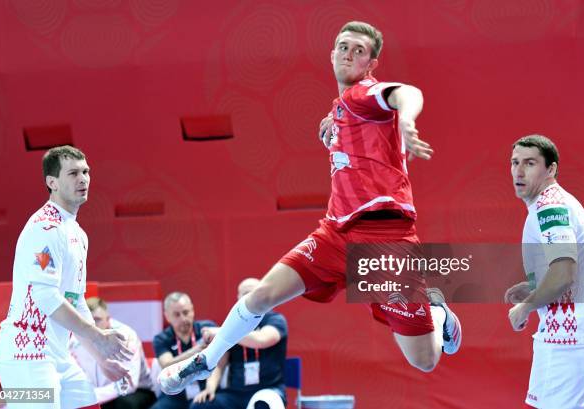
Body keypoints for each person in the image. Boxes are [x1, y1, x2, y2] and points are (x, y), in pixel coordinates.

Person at [159, 21, 462, 394]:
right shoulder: (339, 111)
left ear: (372, 64)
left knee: (424, 360)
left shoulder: (364, 95)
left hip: (386, 238)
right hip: (335, 233)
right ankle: (204, 361)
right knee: (261, 295)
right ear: (332, 54)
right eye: (343, 47)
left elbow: (407, 93)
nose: (349, 54)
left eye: (359, 50)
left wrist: (409, 121)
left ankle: (437, 312)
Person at [0, 145, 132, 409]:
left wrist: (101, 357)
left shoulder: (77, 234)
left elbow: (76, 300)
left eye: (86, 171)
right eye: (73, 173)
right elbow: (45, 296)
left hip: (58, 356)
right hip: (27, 357)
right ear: (52, 182)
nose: (83, 178)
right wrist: (98, 337)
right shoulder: (44, 228)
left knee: (87, 403)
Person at [505, 135, 584, 409]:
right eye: (514, 162)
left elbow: (563, 273)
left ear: (551, 169)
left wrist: (526, 306)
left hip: (567, 338)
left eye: (530, 163)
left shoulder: (549, 208)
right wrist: (535, 286)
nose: (519, 171)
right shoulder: (563, 202)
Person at [190, 278, 288, 409]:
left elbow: (263, 339)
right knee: (201, 405)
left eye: (254, 292)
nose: (250, 297)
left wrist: (222, 332)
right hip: (236, 393)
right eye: (245, 293)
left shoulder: (275, 319)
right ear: (238, 298)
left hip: (268, 389)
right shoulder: (231, 325)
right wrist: (210, 388)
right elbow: (219, 364)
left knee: (262, 404)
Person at [70, 297, 157, 409]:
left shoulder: (125, 337)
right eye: (88, 321)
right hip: (96, 393)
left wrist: (92, 397)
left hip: (137, 391)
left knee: (122, 405)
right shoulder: (75, 340)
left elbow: (129, 384)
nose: (92, 325)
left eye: (97, 319)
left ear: (108, 319)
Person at [152, 292, 217, 409]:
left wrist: (210, 387)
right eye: (177, 315)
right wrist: (195, 351)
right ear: (167, 316)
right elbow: (166, 364)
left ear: (193, 310)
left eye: (186, 312)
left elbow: (221, 358)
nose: (183, 318)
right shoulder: (161, 339)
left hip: (204, 387)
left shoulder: (208, 329)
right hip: (175, 394)